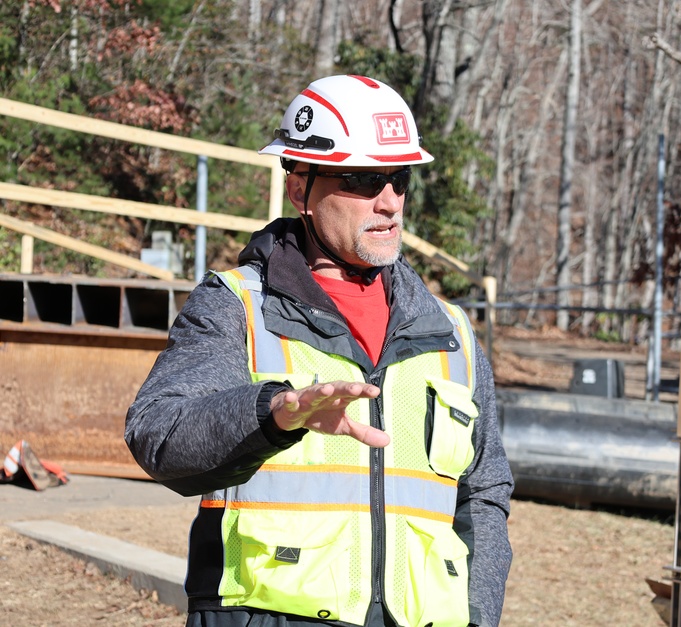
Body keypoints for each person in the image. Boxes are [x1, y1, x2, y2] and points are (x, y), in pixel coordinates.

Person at [125, 74, 514, 627]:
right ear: (300, 187)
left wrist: (478, 619)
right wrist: (273, 414)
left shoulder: (450, 332)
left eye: (399, 179)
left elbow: (484, 494)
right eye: (361, 179)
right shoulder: (236, 306)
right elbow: (157, 435)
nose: (389, 202)